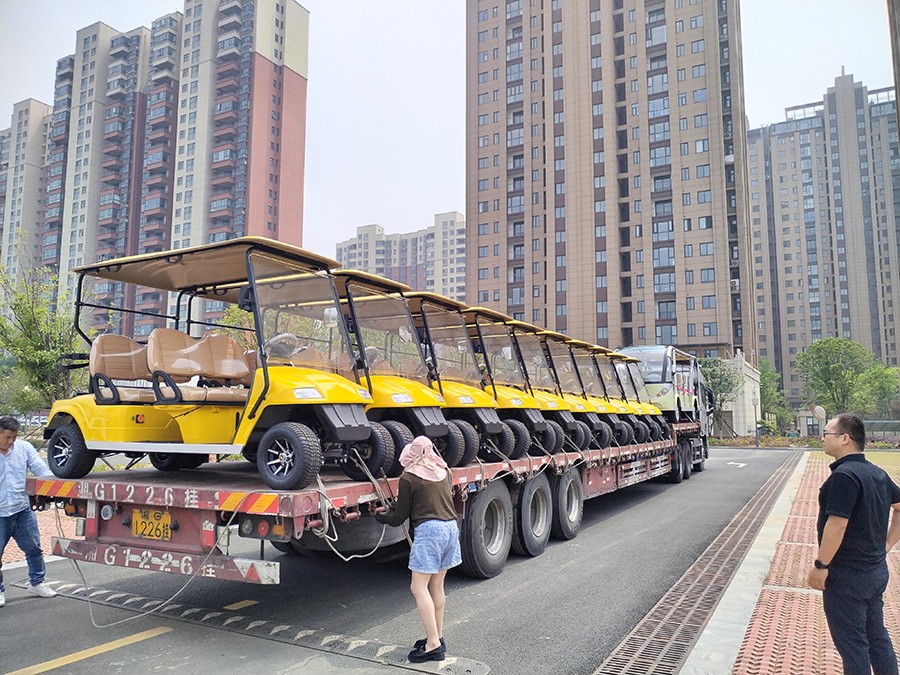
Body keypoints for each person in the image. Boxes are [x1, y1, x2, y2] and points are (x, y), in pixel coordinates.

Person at [807, 413, 900, 675]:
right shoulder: (877, 473)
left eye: (826, 433)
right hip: (875, 573)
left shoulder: (844, 477)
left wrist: (821, 565)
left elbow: (837, 526)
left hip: (847, 577)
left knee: (854, 647)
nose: (822, 438)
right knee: (877, 638)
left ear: (845, 439)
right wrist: (887, 545)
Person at [376, 436, 461, 663]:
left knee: (418, 587)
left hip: (430, 532)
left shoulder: (408, 477)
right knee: (436, 585)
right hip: (451, 528)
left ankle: (433, 645)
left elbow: (400, 516)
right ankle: (437, 637)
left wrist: (384, 517)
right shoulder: (443, 472)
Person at [0, 416, 58, 607]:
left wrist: (56, 487)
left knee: (33, 548)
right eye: (7, 437)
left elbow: (41, 470)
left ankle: (37, 582)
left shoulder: (24, 448)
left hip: (22, 509)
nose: (11, 441)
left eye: (14, 437)